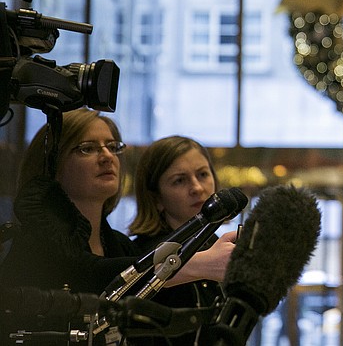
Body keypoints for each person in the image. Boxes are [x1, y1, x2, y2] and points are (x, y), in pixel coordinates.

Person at [0, 109, 235, 339]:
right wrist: (194, 264)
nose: (107, 157)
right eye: (87, 149)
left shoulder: (120, 244)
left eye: (112, 147)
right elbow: (88, 274)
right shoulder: (37, 239)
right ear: (53, 166)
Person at [128, 135, 225, 346]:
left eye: (202, 174)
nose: (197, 188)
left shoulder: (220, 244)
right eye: (180, 180)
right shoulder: (141, 256)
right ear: (156, 199)